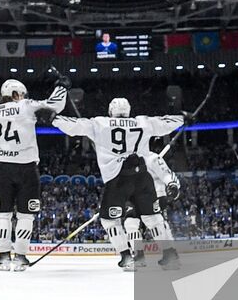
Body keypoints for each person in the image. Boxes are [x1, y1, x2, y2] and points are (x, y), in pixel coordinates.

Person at [52, 97, 184, 271]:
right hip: (142, 176)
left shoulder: (100, 123)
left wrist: (55, 119)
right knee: (153, 219)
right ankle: (169, 255)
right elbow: (167, 122)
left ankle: (127, 257)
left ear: (110, 111)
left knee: (109, 221)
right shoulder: (143, 122)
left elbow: (74, 125)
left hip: (118, 179)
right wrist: (183, 118)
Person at [0, 76, 67, 271]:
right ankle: (21, 256)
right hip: (27, 169)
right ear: (16, 94)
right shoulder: (27, 106)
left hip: (3, 169)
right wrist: (61, 86)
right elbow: (55, 104)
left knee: (2, 216)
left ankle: (3, 256)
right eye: (22, 94)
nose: (24, 96)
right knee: (26, 216)